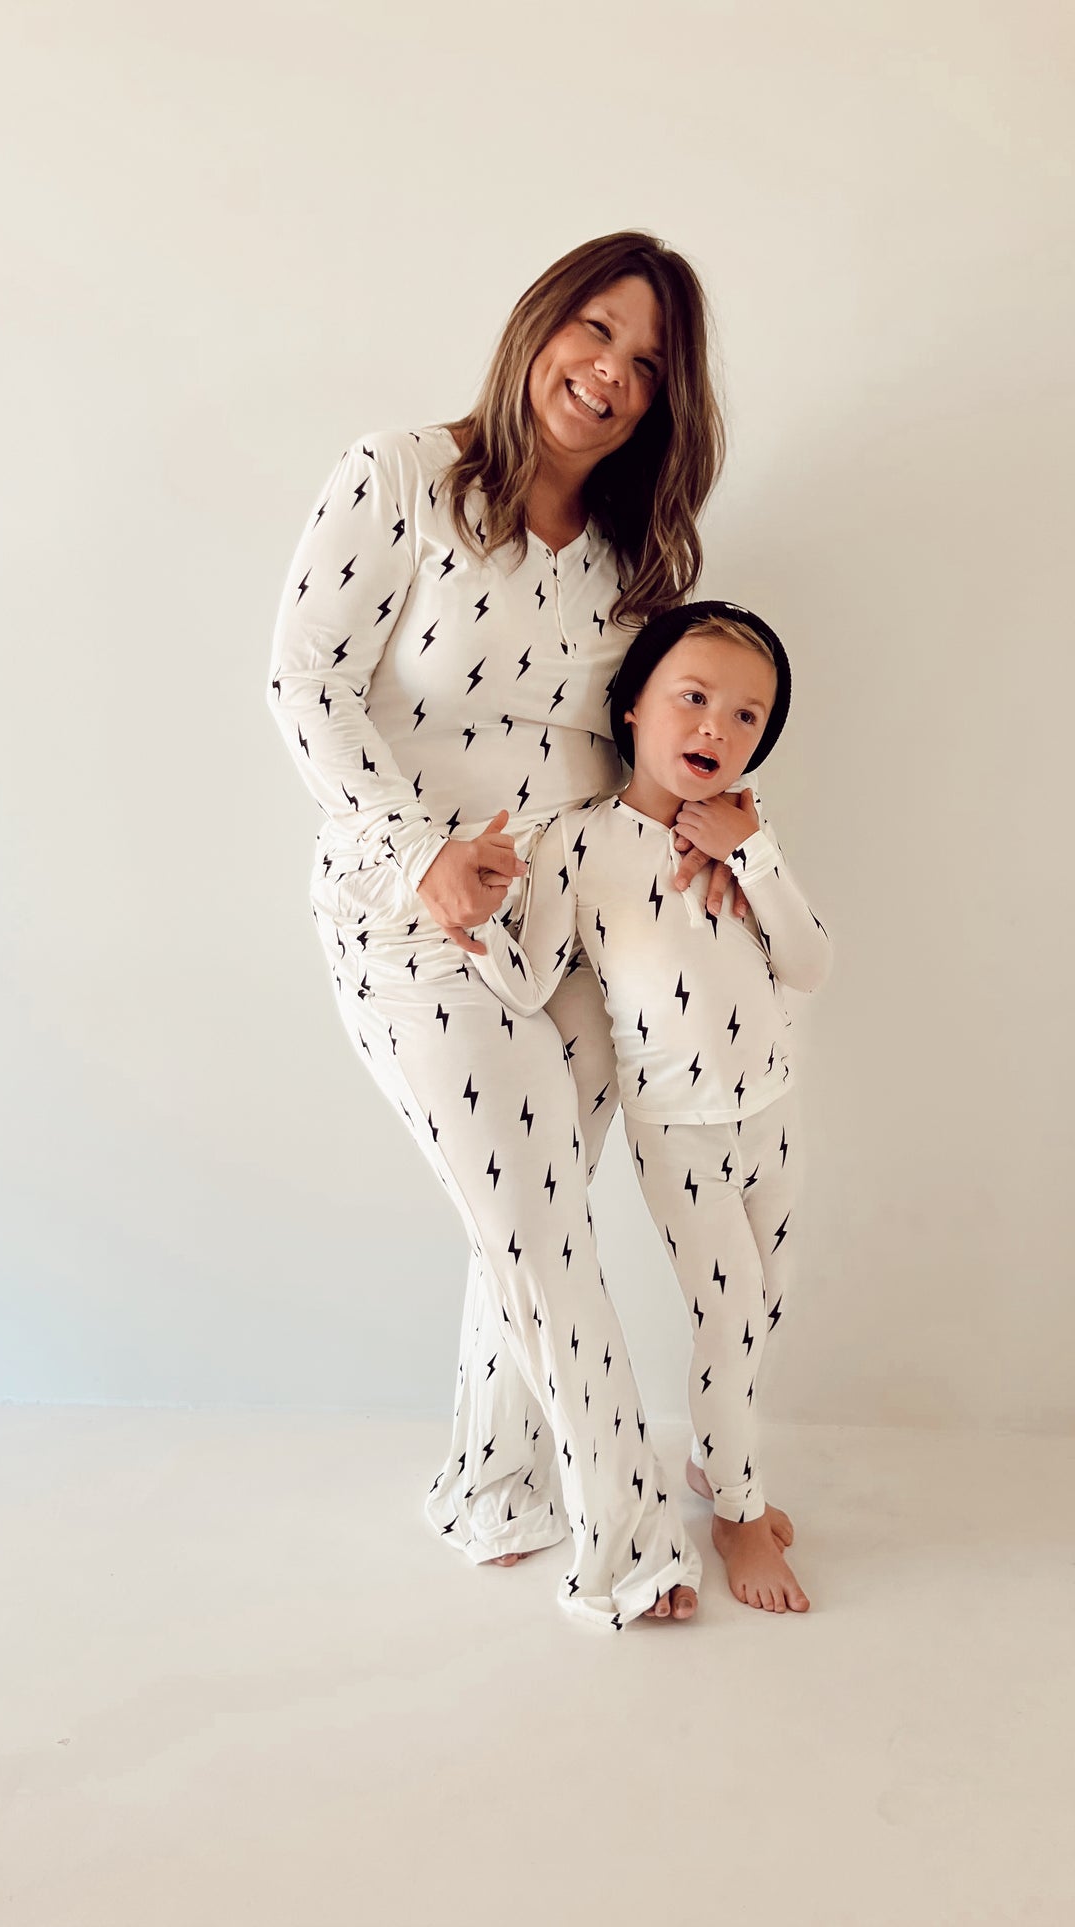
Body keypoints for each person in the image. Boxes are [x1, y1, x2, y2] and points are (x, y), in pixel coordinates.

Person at [269, 231, 738, 1629]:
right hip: (408, 921)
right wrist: (419, 855)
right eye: (595, 331)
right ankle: (627, 1532)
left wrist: (704, 832)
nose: (609, 372)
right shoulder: (399, 476)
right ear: (541, 322)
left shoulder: (632, 550)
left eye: (647, 365)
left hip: (581, 921)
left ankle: (492, 1480)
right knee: (535, 1219)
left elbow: (632, 739)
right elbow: (305, 679)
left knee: (526, 1214)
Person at [471, 602, 831, 1612]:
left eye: (746, 716)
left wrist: (748, 851)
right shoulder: (577, 844)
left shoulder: (746, 831)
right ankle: (737, 1516)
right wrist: (481, 919)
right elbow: (532, 975)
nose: (717, 728)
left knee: (764, 1300)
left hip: (772, 1111)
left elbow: (807, 963)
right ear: (630, 707)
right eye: (694, 698)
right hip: (679, 1130)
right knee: (725, 1315)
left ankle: (721, 1461)